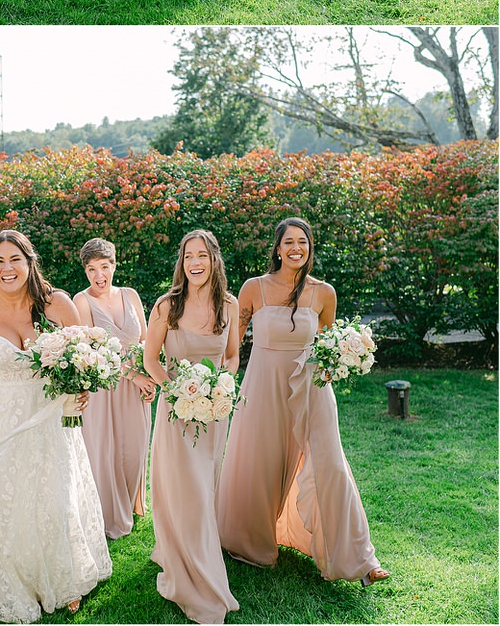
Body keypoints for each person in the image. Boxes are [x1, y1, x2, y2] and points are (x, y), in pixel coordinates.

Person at [0, 229, 111, 624]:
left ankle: (60, 577)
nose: (7, 268)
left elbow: (84, 356)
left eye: (14, 259)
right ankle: (5, 582)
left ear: (30, 262)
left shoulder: (58, 304)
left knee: (53, 497)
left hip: (48, 417)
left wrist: (81, 389)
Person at [217, 218, 390, 587]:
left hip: (312, 387)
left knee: (331, 465)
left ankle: (360, 559)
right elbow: (232, 344)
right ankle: (252, 542)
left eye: (304, 242)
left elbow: (327, 343)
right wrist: (216, 377)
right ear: (277, 248)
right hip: (263, 386)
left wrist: (337, 363)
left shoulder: (323, 293)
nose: (297, 248)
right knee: (261, 462)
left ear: (310, 248)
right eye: (289, 242)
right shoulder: (253, 289)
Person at [143, 230, 239, 624]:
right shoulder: (167, 306)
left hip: (213, 413)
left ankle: (195, 551)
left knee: (205, 487)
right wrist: (177, 392)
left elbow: (231, 357)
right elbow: (150, 359)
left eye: (202, 255)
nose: (195, 263)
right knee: (189, 492)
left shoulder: (229, 306)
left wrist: (222, 388)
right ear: (181, 264)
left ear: (214, 259)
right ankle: (196, 576)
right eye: (188, 257)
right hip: (176, 413)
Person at [73, 237, 152, 539]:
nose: (98, 276)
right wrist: (135, 376)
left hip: (136, 388)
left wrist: (150, 374)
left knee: (134, 448)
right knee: (105, 452)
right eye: (92, 269)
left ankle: (131, 500)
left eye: (104, 267)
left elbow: (145, 340)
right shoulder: (82, 301)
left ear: (114, 266)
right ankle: (106, 513)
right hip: (103, 388)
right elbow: (90, 349)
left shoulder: (130, 295)